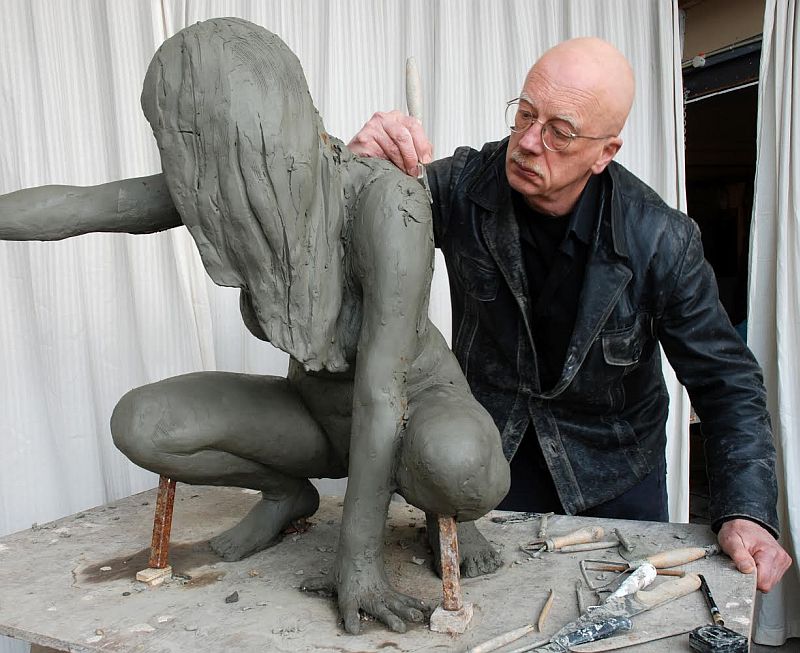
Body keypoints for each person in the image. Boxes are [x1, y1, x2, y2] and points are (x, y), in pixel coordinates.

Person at [0, 18, 510, 634]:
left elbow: (382, 392)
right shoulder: (224, 185)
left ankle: (440, 513)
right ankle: (286, 494)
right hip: (317, 415)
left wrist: (358, 565)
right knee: (143, 423)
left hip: (414, 409)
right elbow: (87, 206)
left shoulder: (386, 203)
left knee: (455, 464)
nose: (193, 162)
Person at [347, 37, 792, 593]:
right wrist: (358, 171)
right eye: (525, 114)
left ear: (605, 152)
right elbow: (350, 236)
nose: (528, 142)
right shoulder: (462, 186)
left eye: (560, 132)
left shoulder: (661, 240)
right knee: (489, 609)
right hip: (490, 462)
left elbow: (727, 382)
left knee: (623, 616)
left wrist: (746, 510)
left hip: (615, 475)